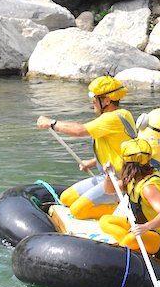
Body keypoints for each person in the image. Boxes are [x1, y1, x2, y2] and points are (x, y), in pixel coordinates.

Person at [36, 75, 139, 220]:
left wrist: (52, 123)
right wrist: (91, 162)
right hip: (106, 176)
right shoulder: (116, 117)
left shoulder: (113, 118)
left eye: (95, 98)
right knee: (66, 198)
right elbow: (115, 150)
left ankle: (121, 210)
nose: (92, 102)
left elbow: (79, 131)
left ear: (107, 101)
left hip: (121, 180)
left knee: (77, 211)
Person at [98, 139, 160, 258]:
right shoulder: (133, 178)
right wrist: (108, 175)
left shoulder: (148, 188)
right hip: (145, 229)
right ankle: (130, 244)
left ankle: (128, 244)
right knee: (105, 221)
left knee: (130, 240)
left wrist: (146, 227)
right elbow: (109, 190)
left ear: (126, 163)